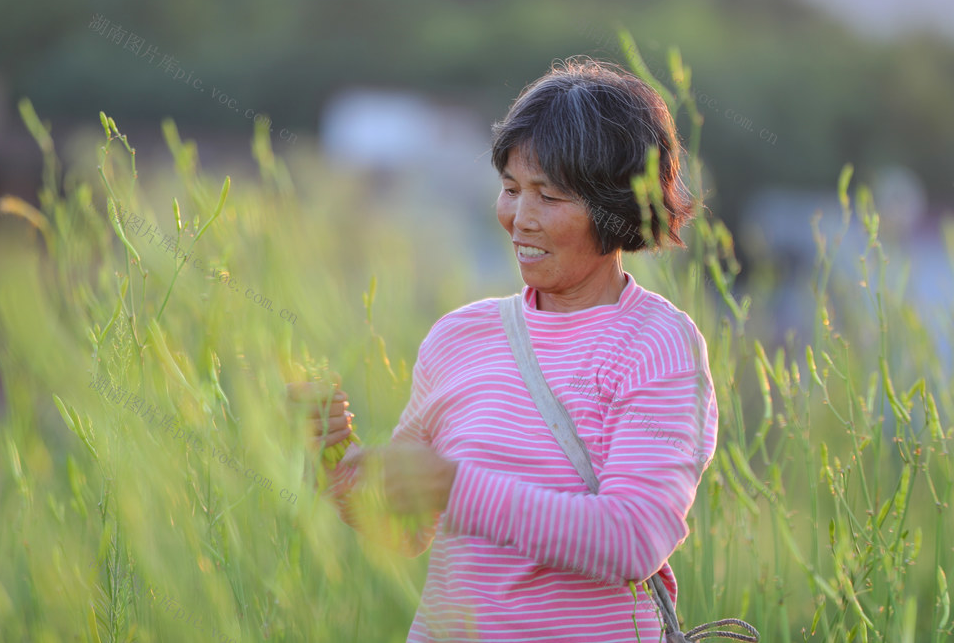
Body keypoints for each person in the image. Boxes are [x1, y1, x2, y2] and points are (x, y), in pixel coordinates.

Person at [295, 57, 717, 642]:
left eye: (549, 196)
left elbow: (634, 538)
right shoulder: (458, 337)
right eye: (511, 189)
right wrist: (334, 465)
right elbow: (408, 532)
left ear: (617, 204)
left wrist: (451, 486)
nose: (519, 219)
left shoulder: (659, 345)